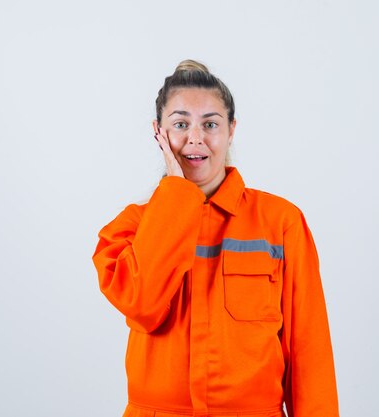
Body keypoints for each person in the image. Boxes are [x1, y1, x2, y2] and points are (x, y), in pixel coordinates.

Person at [92, 60, 339, 417]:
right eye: (180, 124)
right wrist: (176, 194)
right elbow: (142, 304)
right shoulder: (130, 226)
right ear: (158, 132)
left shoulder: (281, 222)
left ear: (231, 130)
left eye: (210, 124)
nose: (196, 138)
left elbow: (309, 353)